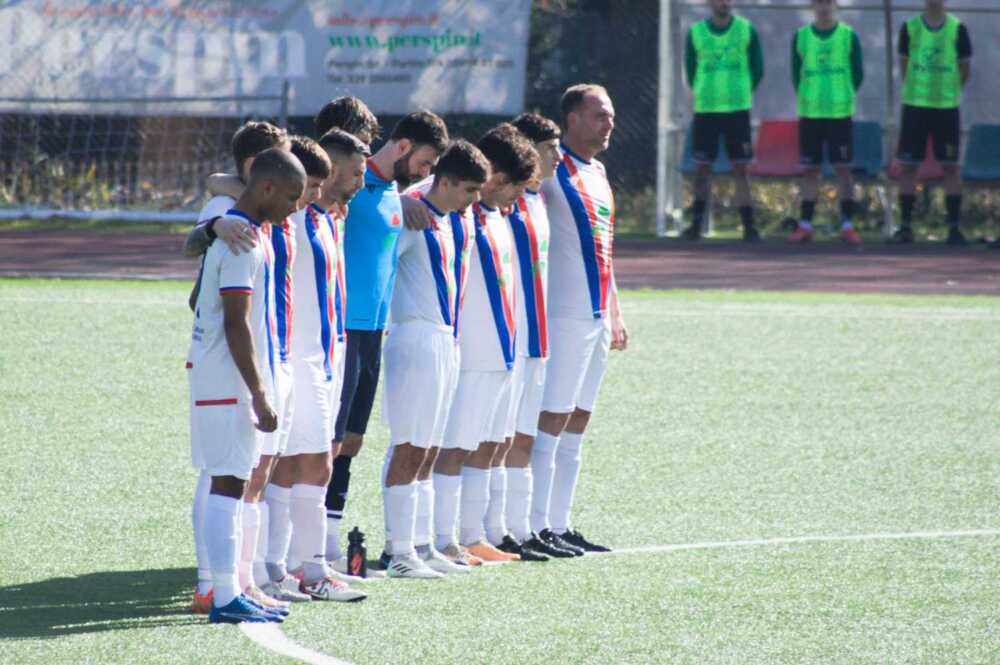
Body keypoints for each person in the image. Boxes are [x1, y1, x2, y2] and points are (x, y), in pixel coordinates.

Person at [324, 111, 449, 564]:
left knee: (353, 440)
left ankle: (330, 541)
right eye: (425, 161)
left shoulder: (396, 194)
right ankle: (312, 547)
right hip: (343, 328)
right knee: (329, 441)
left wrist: (407, 196)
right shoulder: (349, 188)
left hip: (375, 332)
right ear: (402, 146)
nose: (427, 172)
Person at [186, 147, 305, 623]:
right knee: (229, 482)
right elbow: (236, 323)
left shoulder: (245, 234)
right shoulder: (242, 242)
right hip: (226, 381)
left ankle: (228, 590)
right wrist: (258, 393)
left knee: (232, 482)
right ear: (268, 188)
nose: (297, 205)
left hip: (222, 377)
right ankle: (223, 596)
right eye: (293, 196)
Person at [255, 135, 368, 603]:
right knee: (308, 465)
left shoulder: (326, 218)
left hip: (326, 356)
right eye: (314, 183)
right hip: (298, 357)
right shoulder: (291, 219)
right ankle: (303, 569)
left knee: (308, 463)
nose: (319, 191)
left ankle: (282, 568)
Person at [379, 140, 490, 578]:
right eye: (467, 189)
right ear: (442, 182)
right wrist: (399, 201)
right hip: (415, 338)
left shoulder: (445, 220)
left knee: (427, 449)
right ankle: (398, 551)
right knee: (409, 447)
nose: (473, 200)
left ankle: (420, 545)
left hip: (445, 340)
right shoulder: (412, 218)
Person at [431, 124, 538, 566]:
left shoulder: (502, 216)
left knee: (491, 445)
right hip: (473, 354)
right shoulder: (461, 211)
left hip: (504, 353)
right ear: (493, 176)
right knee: (455, 447)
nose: (519, 197)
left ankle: (473, 536)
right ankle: (439, 538)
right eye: (515, 186)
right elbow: (421, 190)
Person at [534, 84, 628, 556]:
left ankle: (560, 522)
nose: (608, 123)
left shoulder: (599, 170)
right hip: (563, 315)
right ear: (572, 118)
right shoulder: (552, 169)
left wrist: (614, 309)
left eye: (610, 116)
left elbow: (604, 246)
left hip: (595, 317)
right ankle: (534, 526)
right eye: (599, 116)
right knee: (551, 418)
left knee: (578, 422)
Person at [494, 113, 576, 560]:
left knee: (524, 436)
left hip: (537, 337)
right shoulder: (504, 204)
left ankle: (522, 529)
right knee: (499, 438)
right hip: (508, 335)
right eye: (549, 148)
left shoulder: (538, 201)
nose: (557, 156)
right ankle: (490, 530)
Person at [681, 0, 764, 242]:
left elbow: (757, 69)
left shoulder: (746, 30)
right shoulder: (696, 32)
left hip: (737, 110)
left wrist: (742, 91)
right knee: (702, 168)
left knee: (741, 168)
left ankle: (749, 226)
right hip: (706, 109)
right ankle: (696, 224)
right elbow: (691, 68)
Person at [893, 0, 972, 245]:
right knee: (908, 166)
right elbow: (904, 65)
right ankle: (905, 226)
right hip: (915, 106)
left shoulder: (958, 29)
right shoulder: (910, 27)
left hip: (946, 108)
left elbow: (964, 68)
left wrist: (949, 90)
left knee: (950, 166)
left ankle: (954, 227)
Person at [787, 0, 864, 245]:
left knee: (843, 169)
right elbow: (795, 73)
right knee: (810, 170)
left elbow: (857, 73)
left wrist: (842, 94)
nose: (824, 7)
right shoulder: (801, 36)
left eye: (828, 2)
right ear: (812, 6)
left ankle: (847, 225)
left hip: (839, 113)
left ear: (836, 6)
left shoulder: (848, 36)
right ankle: (806, 224)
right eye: (819, 2)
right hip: (810, 113)